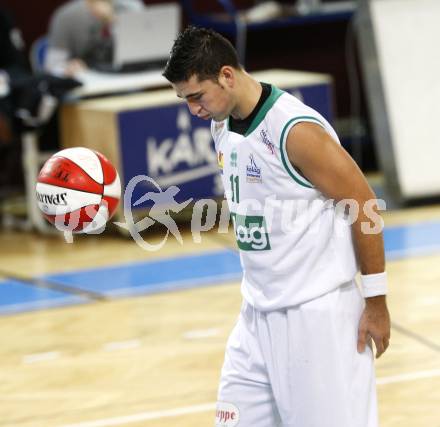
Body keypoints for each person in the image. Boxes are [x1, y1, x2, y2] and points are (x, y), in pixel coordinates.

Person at [163, 26, 391, 427]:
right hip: (256, 314)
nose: (193, 110)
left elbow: (365, 206)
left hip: (317, 317)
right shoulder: (222, 123)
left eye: (196, 96)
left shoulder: (295, 131)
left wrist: (376, 302)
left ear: (227, 76)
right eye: (185, 100)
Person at [45, 0, 143, 77]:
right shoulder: (66, 16)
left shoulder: (131, 8)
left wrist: (113, 21)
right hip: (88, 78)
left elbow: (144, 54)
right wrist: (67, 68)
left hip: (128, 77)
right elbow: (52, 66)